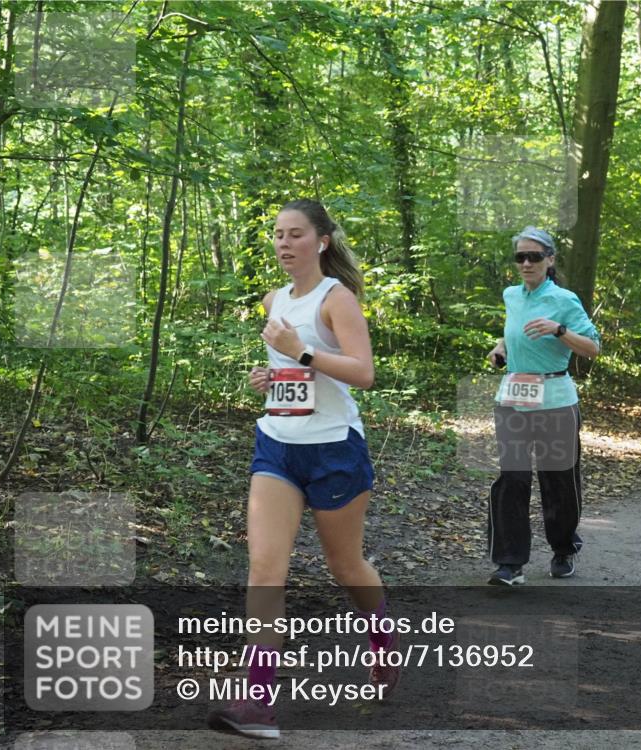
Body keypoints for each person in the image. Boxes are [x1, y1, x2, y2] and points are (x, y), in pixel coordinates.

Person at [207, 199, 396, 739]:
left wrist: (303, 352)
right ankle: (257, 704)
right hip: (277, 447)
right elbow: (289, 371)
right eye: (277, 235)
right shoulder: (274, 300)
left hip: (334, 449)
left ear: (321, 242)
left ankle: (382, 643)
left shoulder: (338, 301)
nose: (284, 244)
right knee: (266, 571)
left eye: (295, 234)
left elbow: (362, 374)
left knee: (346, 567)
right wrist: (270, 378)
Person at [486, 227, 600, 585]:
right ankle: (510, 562)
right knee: (512, 478)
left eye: (534, 256)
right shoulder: (510, 295)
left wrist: (559, 330)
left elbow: (593, 347)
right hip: (513, 398)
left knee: (559, 481)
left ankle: (563, 548)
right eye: (520, 257)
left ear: (549, 260)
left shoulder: (565, 300)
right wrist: (502, 348)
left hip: (555, 399)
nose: (525, 263)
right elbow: (513, 329)